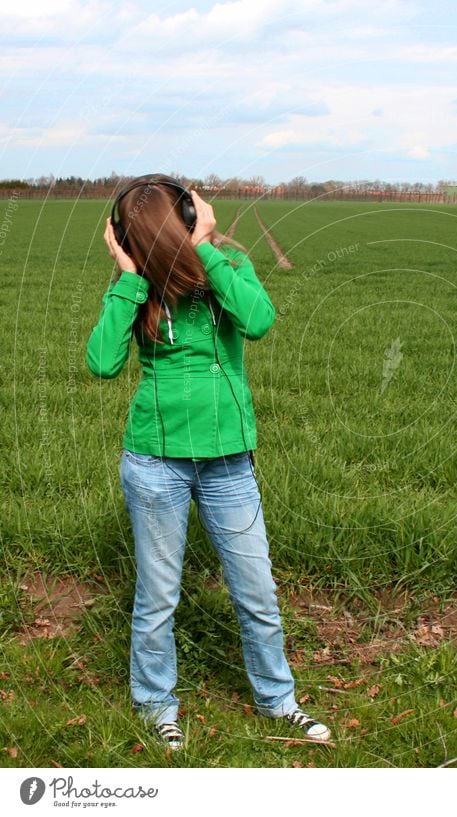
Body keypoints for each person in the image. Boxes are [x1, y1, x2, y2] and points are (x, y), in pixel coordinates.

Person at [86, 174, 330, 750]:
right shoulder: (137, 290)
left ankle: (278, 701)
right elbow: (101, 363)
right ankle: (155, 707)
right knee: (158, 595)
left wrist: (205, 251)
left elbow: (260, 321)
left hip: (228, 466)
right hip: (155, 464)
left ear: (193, 222)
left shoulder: (229, 272)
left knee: (256, 591)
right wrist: (126, 280)